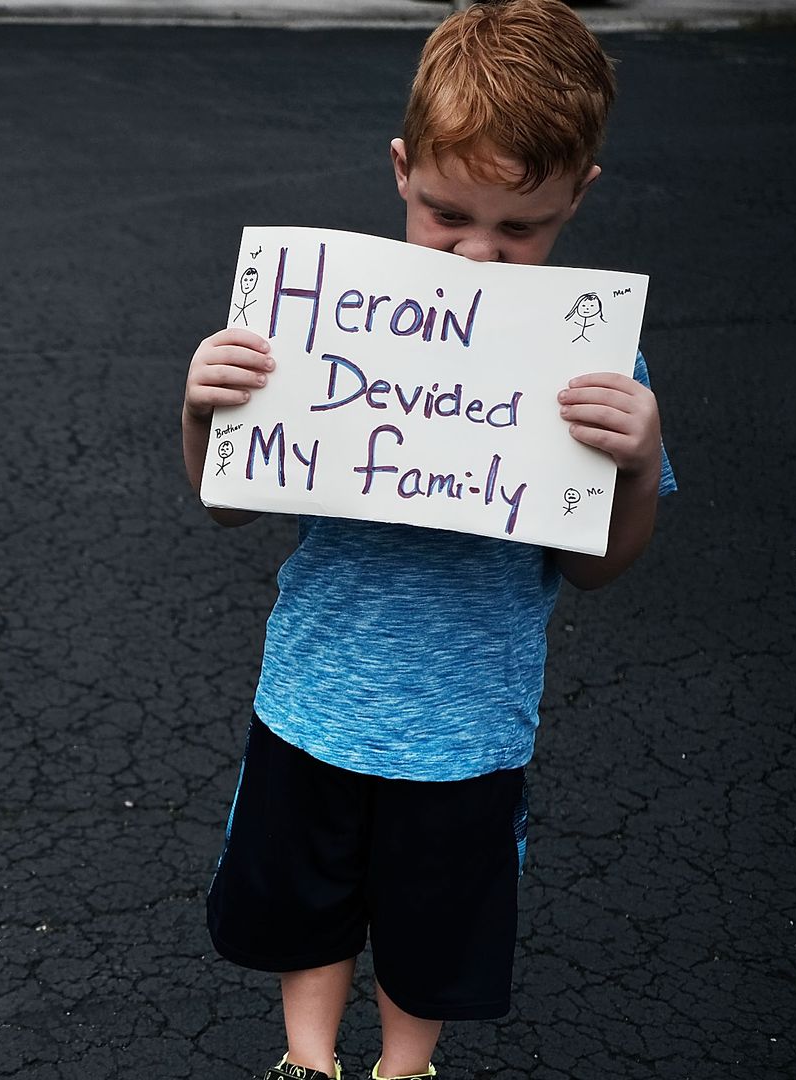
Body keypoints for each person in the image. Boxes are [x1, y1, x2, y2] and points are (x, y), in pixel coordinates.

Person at [178, 3, 677, 1078]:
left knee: (435, 920)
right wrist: (202, 413)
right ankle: (305, 1060)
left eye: (522, 228)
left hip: (466, 726)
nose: (481, 254)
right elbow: (226, 502)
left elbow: (599, 566)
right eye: (449, 213)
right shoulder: (320, 325)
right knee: (303, 898)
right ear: (402, 171)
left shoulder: (591, 372)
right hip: (315, 695)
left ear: (579, 196)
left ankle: (407, 1068)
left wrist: (637, 465)